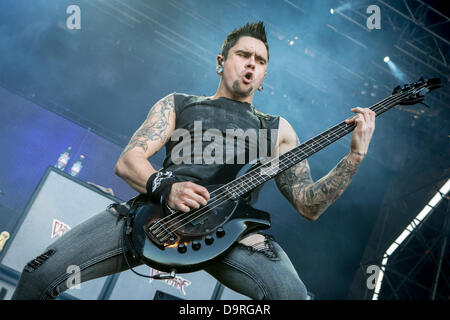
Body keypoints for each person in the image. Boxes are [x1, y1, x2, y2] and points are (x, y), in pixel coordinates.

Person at [12, 21, 375, 300]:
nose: (251, 65)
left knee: (293, 296)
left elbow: (308, 204)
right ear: (221, 62)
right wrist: (167, 188)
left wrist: (355, 155)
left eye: (260, 61)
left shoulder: (277, 130)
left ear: (263, 77)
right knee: (38, 274)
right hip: (153, 216)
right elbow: (129, 161)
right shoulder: (179, 103)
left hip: (229, 233)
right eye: (243, 55)